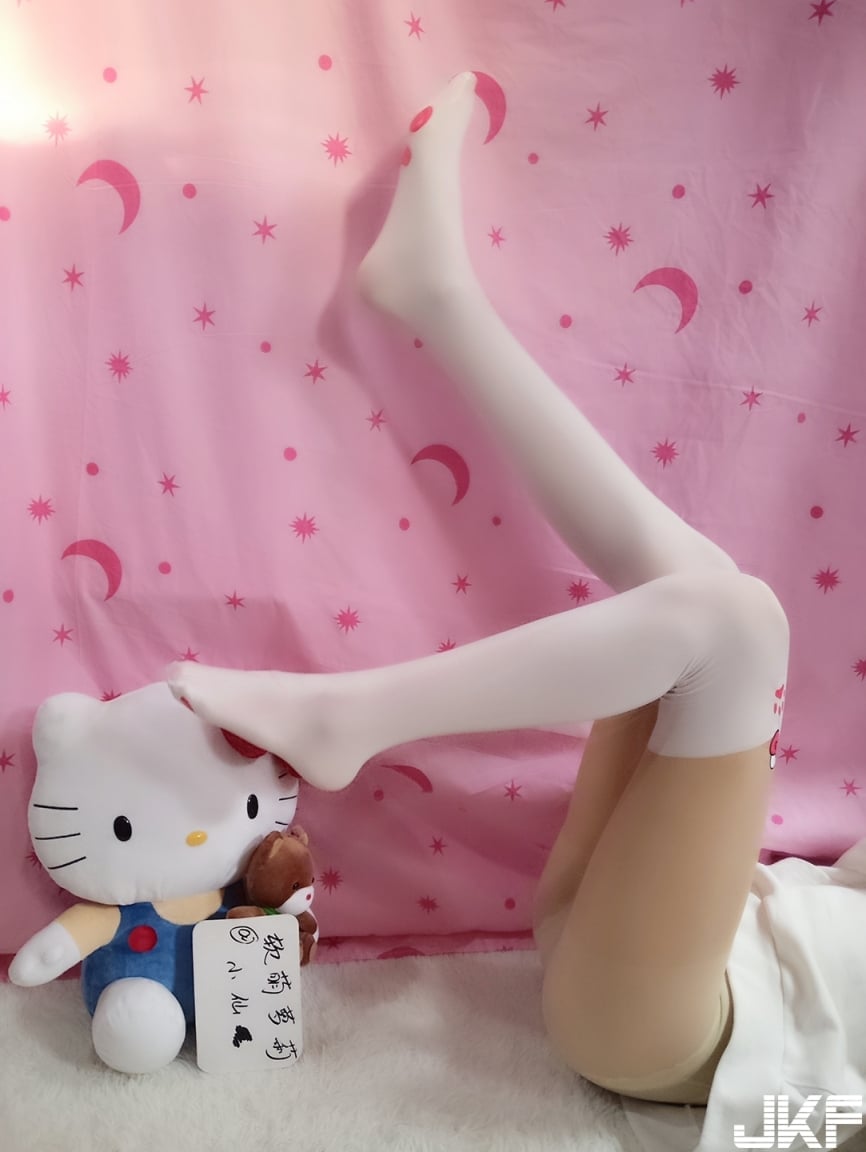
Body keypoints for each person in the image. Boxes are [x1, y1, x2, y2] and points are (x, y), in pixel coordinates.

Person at [165, 74, 863, 1146]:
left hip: (678, 1028)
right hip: (672, 933)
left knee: (737, 626)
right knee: (701, 589)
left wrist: (784, 1126)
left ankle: (347, 717)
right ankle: (438, 297)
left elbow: (824, 1120)